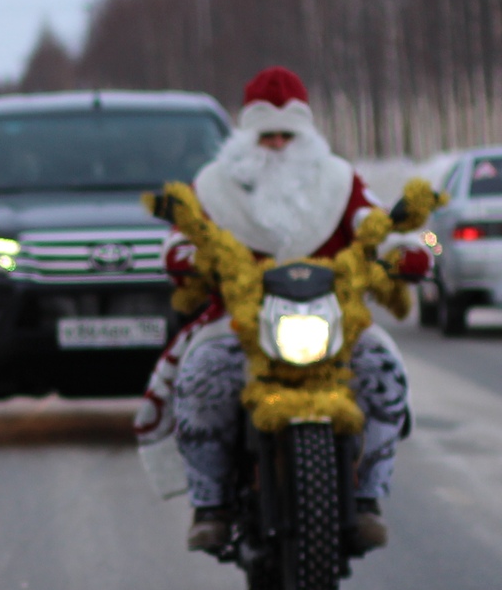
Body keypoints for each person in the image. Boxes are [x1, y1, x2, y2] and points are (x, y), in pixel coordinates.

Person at [163, 67, 429, 553]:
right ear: (248, 136)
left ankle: (368, 496)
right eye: (268, 136)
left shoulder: (339, 181)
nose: (279, 145)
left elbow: (373, 223)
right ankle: (211, 504)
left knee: (384, 372)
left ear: (307, 135)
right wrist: (188, 257)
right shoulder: (214, 187)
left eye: (289, 135)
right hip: (238, 323)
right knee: (200, 379)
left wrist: (402, 251)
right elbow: (184, 237)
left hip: (335, 323)